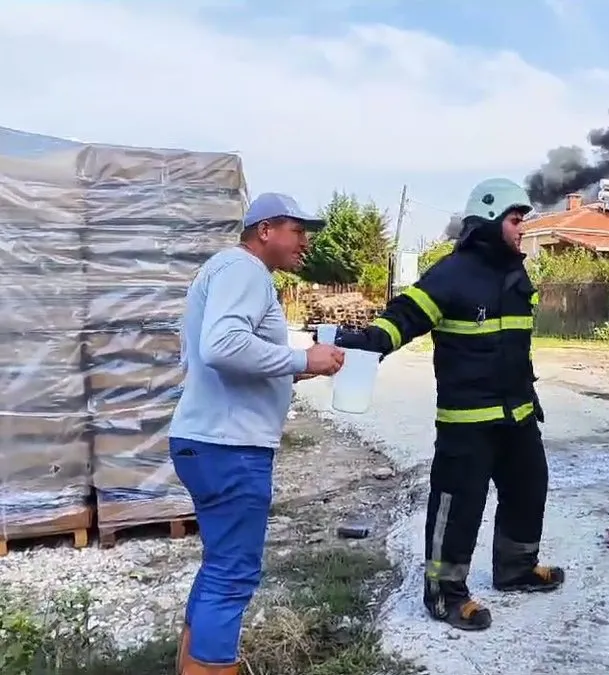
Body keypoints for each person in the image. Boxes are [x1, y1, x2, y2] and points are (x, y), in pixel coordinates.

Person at [335, 178, 564, 631]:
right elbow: (404, 316)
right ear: (492, 218)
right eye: (517, 221)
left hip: (517, 415)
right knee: (456, 508)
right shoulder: (450, 273)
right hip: (467, 423)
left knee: (529, 490)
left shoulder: (517, 275)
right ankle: (444, 594)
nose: (523, 230)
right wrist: (367, 344)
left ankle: (516, 569)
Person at [170, 193, 345, 675]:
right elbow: (223, 346)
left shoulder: (225, 271)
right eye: (297, 229)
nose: (305, 242)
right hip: (229, 447)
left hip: (208, 441)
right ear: (265, 229)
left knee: (220, 565)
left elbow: (221, 355)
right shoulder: (245, 270)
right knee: (232, 573)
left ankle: (193, 665)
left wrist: (291, 371)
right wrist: (298, 358)